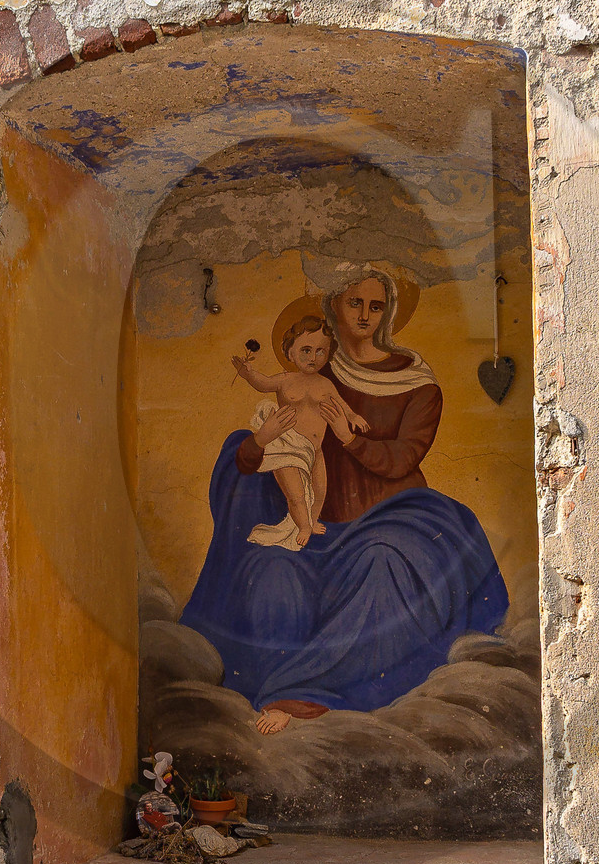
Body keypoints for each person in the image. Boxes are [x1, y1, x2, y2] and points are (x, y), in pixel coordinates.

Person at [180, 264, 508, 733]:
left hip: (397, 518)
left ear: (389, 312)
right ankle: (254, 697)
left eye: (376, 306)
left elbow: (402, 460)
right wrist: (258, 441)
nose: (365, 315)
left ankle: (306, 694)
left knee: (382, 564)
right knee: (269, 571)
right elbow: (265, 449)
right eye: (354, 303)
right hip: (318, 525)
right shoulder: (309, 369)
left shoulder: (415, 381)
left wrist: (348, 438)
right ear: (334, 308)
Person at [231, 314, 368, 552]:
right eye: (305, 350)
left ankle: (312, 520)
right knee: (295, 495)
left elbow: (341, 403)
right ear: (290, 353)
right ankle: (303, 526)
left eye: (320, 351)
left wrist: (353, 416)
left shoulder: (325, 384)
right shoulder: (285, 380)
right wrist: (248, 374)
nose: (313, 357)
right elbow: (262, 383)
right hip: (288, 448)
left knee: (320, 489)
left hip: (315, 450)